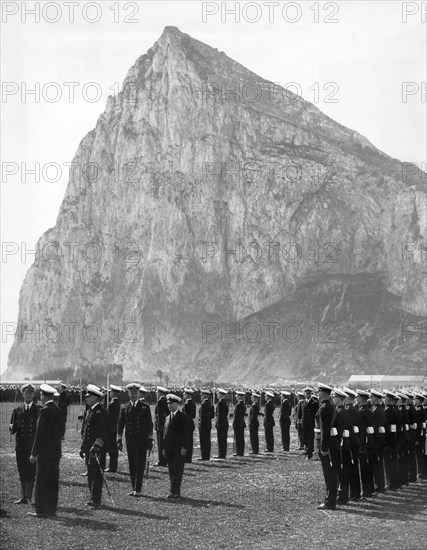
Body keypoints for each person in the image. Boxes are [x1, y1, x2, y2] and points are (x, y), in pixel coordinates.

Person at [28, 384, 65, 518]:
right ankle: (52, 509)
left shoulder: (43, 411)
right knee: (53, 481)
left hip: (44, 452)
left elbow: (39, 434)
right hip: (55, 452)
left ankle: (41, 510)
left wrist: (33, 453)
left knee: (41, 482)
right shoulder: (60, 411)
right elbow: (62, 432)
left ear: (44, 396)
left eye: (41, 395)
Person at [117, 383, 154, 497]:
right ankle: (133, 487)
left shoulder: (145, 407)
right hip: (130, 441)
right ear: (128, 393)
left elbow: (149, 425)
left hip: (142, 441)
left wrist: (150, 439)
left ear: (138, 394)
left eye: (135, 393)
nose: (134, 395)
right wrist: (119, 439)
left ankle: (138, 489)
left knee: (140, 464)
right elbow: (120, 425)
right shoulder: (125, 407)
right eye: (131, 393)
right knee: (132, 464)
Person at [9, 383, 41, 505]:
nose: (28, 395)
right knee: (21, 470)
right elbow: (14, 429)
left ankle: (29, 496)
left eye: (30, 393)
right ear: (23, 394)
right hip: (21, 446)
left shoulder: (39, 410)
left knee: (31, 470)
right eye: (26, 393)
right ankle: (23, 496)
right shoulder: (17, 410)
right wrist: (11, 428)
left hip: (32, 446)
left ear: (33, 395)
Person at [80, 384, 108, 509]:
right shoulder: (89, 410)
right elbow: (86, 432)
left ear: (96, 398)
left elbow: (103, 431)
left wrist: (97, 446)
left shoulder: (101, 412)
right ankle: (92, 497)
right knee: (90, 473)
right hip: (88, 449)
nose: (86, 398)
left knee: (97, 474)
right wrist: (83, 448)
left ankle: (96, 499)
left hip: (97, 449)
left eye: (89, 396)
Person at [163, 394, 191, 499]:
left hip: (179, 448)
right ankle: (174, 491)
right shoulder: (167, 418)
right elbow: (164, 435)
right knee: (171, 470)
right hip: (170, 448)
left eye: (171, 404)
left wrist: (184, 447)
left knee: (178, 471)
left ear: (176, 404)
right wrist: (164, 448)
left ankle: (175, 492)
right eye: (168, 404)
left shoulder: (183, 417)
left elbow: (186, 434)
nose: (169, 406)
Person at [315, 383, 338, 510]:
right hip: (332, 443)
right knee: (332, 473)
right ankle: (331, 498)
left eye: (318, 393)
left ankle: (330, 501)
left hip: (326, 445)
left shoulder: (324, 408)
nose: (317, 395)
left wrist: (323, 448)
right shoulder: (331, 405)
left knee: (329, 473)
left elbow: (324, 430)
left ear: (323, 393)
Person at [332, 388, 352, 505]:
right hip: (342, 444)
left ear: (339, 399)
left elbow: (341, 430)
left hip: (342, 445)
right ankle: (342, 495)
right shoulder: (340, 411)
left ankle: (343, 496)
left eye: (335, 397)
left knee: (342, 471)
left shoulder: (342, 412)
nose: (333, 399)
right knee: (341, 471)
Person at [383, 390, 401, 491]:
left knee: (389, 463)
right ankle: (395, 483)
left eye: (385, 398)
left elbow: (387, 428)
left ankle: (391, 483)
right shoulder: (394, 410)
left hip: (389, 441)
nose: (384, 400)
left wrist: (385, 442)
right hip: (393, 440)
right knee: (393, 462)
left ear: (388, 400)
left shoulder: (387, 411)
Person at [105, 384, 122, 473]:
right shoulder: (117, 403)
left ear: (113, 393)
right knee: (114, 449)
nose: (110, 393)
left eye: (111, 392)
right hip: (115, 428)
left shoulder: (111, 404)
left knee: (112, 449)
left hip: (111, 429)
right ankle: (113, 466)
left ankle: (112, 467)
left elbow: (109, 418)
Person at [299, 387, 318, 460]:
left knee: (310, 439)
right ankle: (307, 449)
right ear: (304, 394)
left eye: (309, 393)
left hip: (311, 423)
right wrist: (299, 420)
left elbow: (316, 414)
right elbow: (300, 413)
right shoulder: (302, 402)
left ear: (311, 394)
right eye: (306, 393)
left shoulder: (314, 403)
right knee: (305, 438)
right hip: (304, 423)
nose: (307, 395)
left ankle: (310, 453)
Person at [154, 386, 169, 466]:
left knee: (160, 444)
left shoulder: (160, 401)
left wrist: (159, 427)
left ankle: (161, 461)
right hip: (165, 425)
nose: (156, 393)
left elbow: (159, 416)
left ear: (160, 393)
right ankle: (165, 460)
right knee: (164, 443)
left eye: (157, 392)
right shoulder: (166, 401)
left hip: (161, 426)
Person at [198, 389, 214, 460]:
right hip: (208, 424)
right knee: (207, 441)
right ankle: (206, 456)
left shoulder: (203, 404)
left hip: (203, 425)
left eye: (202, 395)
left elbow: (201, 417)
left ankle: (204, 456)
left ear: (204, 395)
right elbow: (212, 416)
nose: (201, 396)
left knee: (203, 441)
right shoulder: (211, 404)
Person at [214, 388, 229, 459]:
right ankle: (223, 454)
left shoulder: (220, 403)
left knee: (221, 439)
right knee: (223, 440)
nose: (217, 394)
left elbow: (219, 415)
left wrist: (218, 423)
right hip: (224, 423)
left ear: (220, 394)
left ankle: (221, 454)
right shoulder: (225, 402)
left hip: (221, 423)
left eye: (218, 393)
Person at [182, 388, 196, 463]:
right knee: (190, 441)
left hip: (186, 424)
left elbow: (184, 415)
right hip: (190, 424)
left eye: (185, 394)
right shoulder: (193, 404)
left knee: (186, 441)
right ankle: (189, 457)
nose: (184, 395)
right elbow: (193, 415)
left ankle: (186, 458)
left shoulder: (186, 404)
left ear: (187, 395)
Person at [233, 391, 247, 456]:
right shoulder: (243, 405)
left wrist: (234, 424)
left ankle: (238, 452)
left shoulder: (238, 405)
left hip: (238, 423)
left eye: (237, 396)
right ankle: (241, 451)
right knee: (241, 438)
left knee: (238, 438)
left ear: (239, 397)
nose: (236, 397)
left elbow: (236, 416)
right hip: (241, 422)